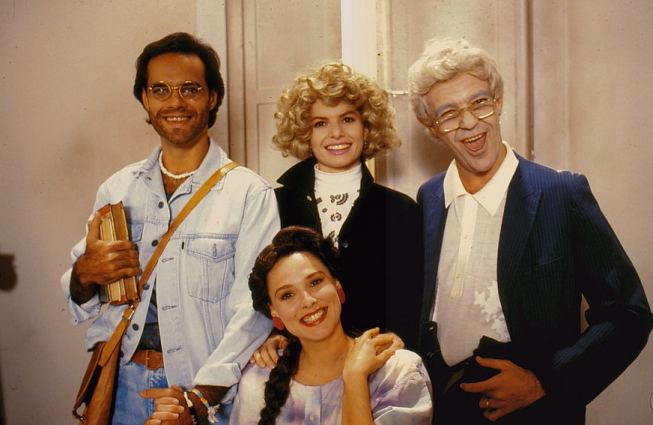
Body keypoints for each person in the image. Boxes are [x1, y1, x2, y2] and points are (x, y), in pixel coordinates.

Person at [409, 38, 652, 424]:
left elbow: (628, 314)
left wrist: (545, 381)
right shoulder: (430, 197)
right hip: (446, 409)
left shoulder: (561, 193)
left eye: (479, 102)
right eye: (449, 113)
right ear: (432, 127)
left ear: (499, 100)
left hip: (536, 410)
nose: (469, 122)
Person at [61, 32, 279, 425]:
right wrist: (85, 274)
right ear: (145, 99)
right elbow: (79, 297)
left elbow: (254, 312)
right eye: (160, 89)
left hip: (202, 396)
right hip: (120, 388)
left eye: (190, 89)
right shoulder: (117, 188)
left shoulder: (249, 194)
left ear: (212, 98)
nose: (175, 102)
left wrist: (199, 400)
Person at [144, 226, 433, 425]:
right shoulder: (256, 379)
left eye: (315, 282)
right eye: (287, 295)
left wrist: (355, 377)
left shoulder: (398, 372)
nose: (307, 301)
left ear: (337, 286)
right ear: (274, 312)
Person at [252, 62, 423, 368]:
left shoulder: (401, 210)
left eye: (347, 119)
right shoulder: (273, 204)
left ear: (367, 127)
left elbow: (412, 304)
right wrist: (269, 336)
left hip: (375, 365)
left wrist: (399, 337)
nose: (336, 133)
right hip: (298, 367)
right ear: (305, 132)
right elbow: (265, 292)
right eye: (320, 123)